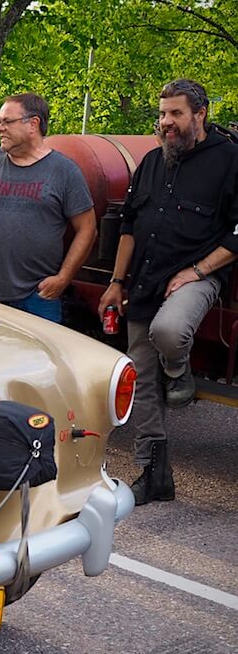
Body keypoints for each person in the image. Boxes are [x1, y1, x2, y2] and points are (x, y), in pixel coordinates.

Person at [97, 78, 238, 505]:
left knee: (170, 331)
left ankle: (180, 373)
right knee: (140, 381)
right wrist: (116, 282)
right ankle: (154, 474)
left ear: (201, 114)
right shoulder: (154, 162)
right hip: (144, 278)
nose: (166, 122)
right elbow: (128, 227)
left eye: (176, 113)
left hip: (199, 276)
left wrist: (196, 271)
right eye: (162, 114)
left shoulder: (230, 160)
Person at [0, 92, 96, 323]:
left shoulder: (64, 171)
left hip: (39, 297)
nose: (0, 128)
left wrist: (63, 278)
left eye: (7, 121)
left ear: (33, 124)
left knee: (39, 359)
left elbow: (88, 229)